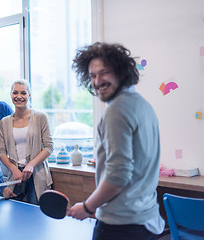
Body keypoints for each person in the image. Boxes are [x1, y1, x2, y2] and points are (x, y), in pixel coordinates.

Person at [67, 42, 164, 240]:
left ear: (121, 72)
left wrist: (87, 207)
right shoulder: (143, 105)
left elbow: (118, 176)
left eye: (104, 73)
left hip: (120, 226)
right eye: (92, 75)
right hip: (146, 221)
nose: (97, 81)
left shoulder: (116, 110)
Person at [0, 79, 53, 204]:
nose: (19, 97)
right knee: (15, 214)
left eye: (23, 93)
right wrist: (13, 168)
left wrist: (31, 165)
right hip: (16, 177)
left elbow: (49, 147)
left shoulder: (40, 117)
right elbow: (1, 151)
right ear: (11, 94)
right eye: (15, 93)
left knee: (36, 215)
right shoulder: (4, 122)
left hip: (37, 174)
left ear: (29, 95)